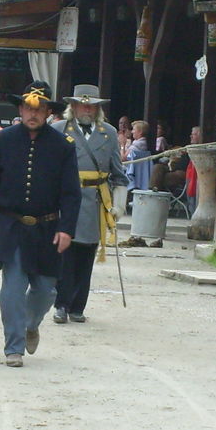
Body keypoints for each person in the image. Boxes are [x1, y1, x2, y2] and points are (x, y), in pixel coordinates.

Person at [0, 81, 81, 367]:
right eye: (28, 108)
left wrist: (66, 228)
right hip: (12, 226)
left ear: (48, 112)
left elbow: (71, 193)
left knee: (46, 291)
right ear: (20, 109)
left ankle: (29, 325)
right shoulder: (2, 141)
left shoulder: (63, 147)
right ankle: (14, 347)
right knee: (11, 290)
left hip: (48, 228)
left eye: (39, 109)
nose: (33, 114)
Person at [50, 85, 128, 324]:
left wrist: (119, 205)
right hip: (66, 199)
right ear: (72, 106)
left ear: (97, 108)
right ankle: (60, 304)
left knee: (86, 255)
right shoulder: (58, 129)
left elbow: (118, 173)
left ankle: (77, 307)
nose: (86, 108)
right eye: (82, 104)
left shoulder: (109, 133)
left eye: (91, 105)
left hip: (95, 201)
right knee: (65, 253)